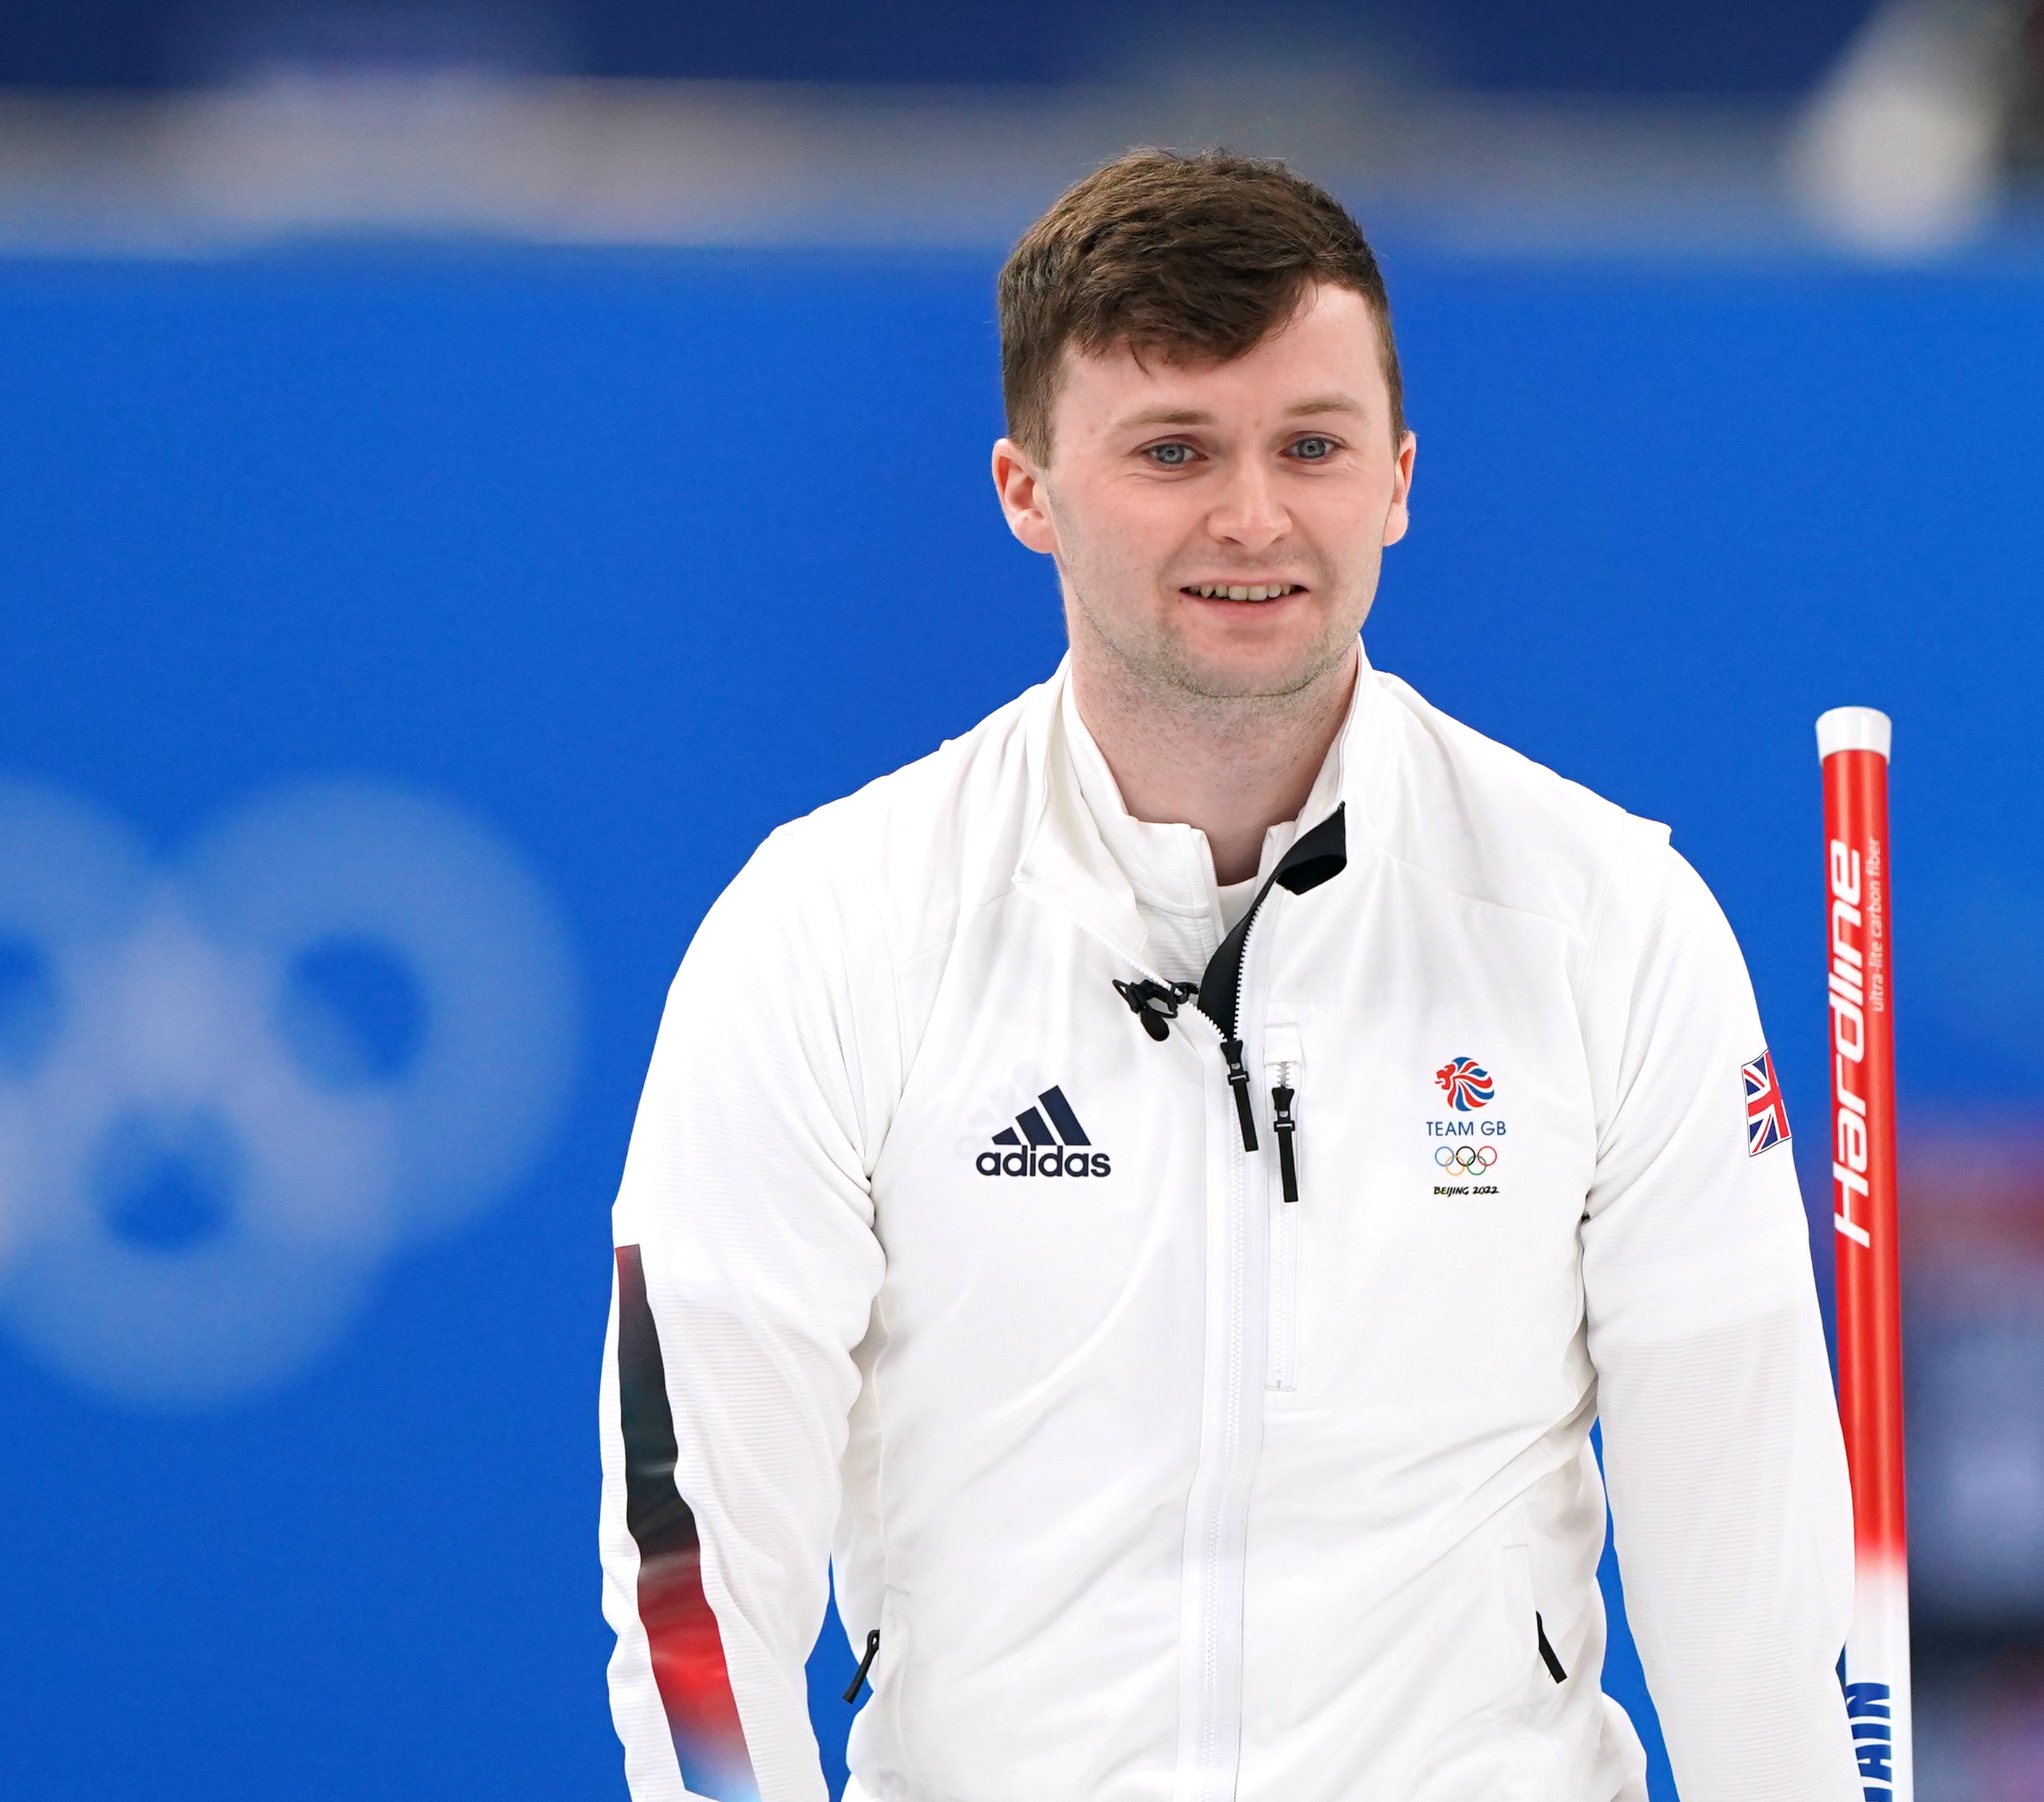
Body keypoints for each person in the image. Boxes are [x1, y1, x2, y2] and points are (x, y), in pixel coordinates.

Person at [600, 148, 1857, 1802]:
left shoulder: (1609, 921)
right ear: (1025, 489)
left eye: (1311, 448)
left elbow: (1740, 1559)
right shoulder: (824, 929)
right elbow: (698, 1573)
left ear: (1399, 479)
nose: (1253, 518)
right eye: (1174, 450)